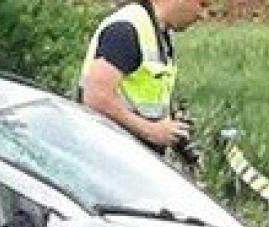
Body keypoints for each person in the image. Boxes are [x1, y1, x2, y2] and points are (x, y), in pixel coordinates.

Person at [78, 0, 204, 155]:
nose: (202, 15)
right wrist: (152, 131)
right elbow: (95, 97)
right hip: (107, 153)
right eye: (202, 4)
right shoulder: (127, 29)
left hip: (131, 155)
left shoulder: (160, 31)